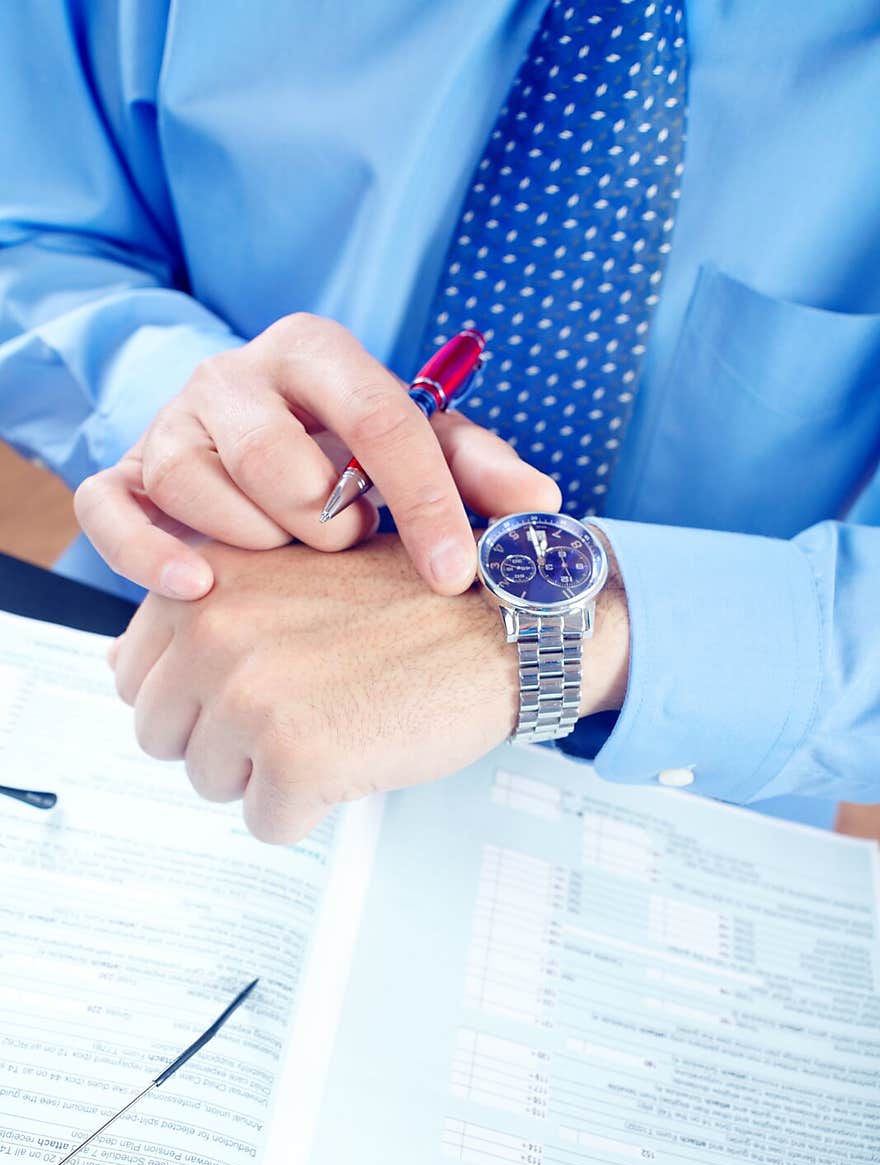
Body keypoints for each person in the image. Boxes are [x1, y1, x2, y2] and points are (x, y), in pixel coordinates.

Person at [0, 1, 877, 844]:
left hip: (705, 778)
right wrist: (188, 413)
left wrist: (576, 636)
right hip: (183, 645)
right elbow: (31, 230)